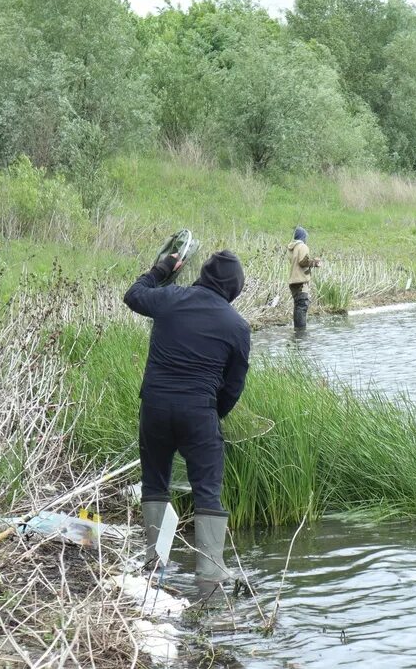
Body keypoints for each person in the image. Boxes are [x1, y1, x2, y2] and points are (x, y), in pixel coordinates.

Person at [123, 249, 251, 603]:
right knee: (207, 491)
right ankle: (210, 578)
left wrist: (161, 268)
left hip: (155, 408)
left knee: (155, 484)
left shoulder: (170, 297)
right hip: (200, 413)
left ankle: (154, 565)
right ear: (235, 288)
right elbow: (233, 387)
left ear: (204, 275)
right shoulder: (237, 326)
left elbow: (133, 295)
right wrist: (211, 414)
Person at [287, 226, 320, 330]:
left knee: (298, 305)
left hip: (293, 281)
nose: (306, 239)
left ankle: (297, 330)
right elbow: (303, 262)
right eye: (305, 237)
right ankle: (301, 331)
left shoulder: (291, 248)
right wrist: (316, 262)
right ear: (303, 237)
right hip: (301, 281)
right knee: (302, 305)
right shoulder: (303, 246)